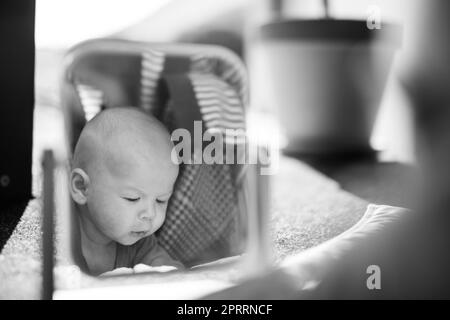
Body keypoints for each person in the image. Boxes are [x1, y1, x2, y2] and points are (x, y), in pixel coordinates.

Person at [69, 107, 183, 276]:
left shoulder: (141, 244)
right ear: (82, 187)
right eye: (132, 198)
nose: (150, 214)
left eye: (161, 200)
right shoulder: (57, 233)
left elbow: (172, 274)